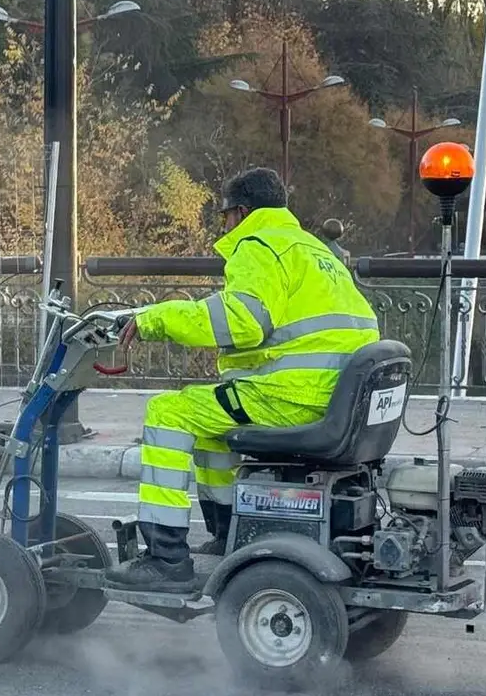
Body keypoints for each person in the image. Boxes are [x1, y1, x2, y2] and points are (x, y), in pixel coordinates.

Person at [103, 167, 380, 592]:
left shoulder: (258, 245)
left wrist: (153, 319)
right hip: (333, 395)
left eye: (225, 214)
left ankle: (165, 557)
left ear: (241, 212)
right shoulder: (312, 248)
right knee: (213, 428)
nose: (225, 224)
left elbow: (241, 322)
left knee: (167, 413)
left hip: (290, 396)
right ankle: (227, 536)